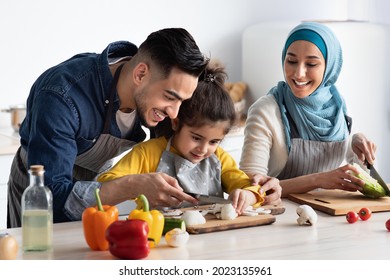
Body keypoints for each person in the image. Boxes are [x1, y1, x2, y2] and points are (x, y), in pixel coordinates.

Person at [7, 28, 210, 228]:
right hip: (39, 187)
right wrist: (131, 186)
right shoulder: (62, 96)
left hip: (94, 186)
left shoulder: (157, 95)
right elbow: (54, 199)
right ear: (140, 74)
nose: (174, 113)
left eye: (182, 102)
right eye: (169, 97)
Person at [98, 61, 282, 214]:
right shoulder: (148, 153)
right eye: (196, 138)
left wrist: (248, 195)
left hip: (209, 237)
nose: (203, 149)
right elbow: (105, 182)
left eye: (214, 142)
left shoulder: (220, 158)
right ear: (176, 123)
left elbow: (250, 186)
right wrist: (138, 184)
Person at [239, 22, 377, 197]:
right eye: (292, 61)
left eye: (311, 64)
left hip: (331, 216)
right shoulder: (265, 110)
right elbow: (249, 187)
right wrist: (317, 180)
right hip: (281, 216)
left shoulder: (337, 107)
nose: (298, 73)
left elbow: (366, 180)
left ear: (329, 66)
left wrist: (359, 143)